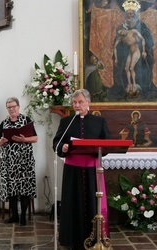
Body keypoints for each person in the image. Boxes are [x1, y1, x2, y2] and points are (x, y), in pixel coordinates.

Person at [52, 89, 112, 249]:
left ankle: (94, 238)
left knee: (93, 204)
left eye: (80, 102)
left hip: (93, 171)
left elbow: (107, 143)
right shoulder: (66, 122)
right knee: (73, 204)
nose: (77, 105)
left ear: (88, 102)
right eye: (74, 103)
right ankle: (72, 239)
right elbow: (56, 142)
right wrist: (62, 147)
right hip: (73, 171)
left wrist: (101, 148)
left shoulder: (99, 121)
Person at [0, 97, 37, 226]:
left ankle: (23, 216)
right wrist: (1, 141)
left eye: (13, 106)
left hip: (24, 161)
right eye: (9, 107)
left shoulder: (26, 120)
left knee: (24, 188)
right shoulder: (4, 123)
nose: (11, 109)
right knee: (11, 187)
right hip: (9, 161)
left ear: (18, 106)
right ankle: (14, 215)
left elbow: (35, 138)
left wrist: (24, 140)